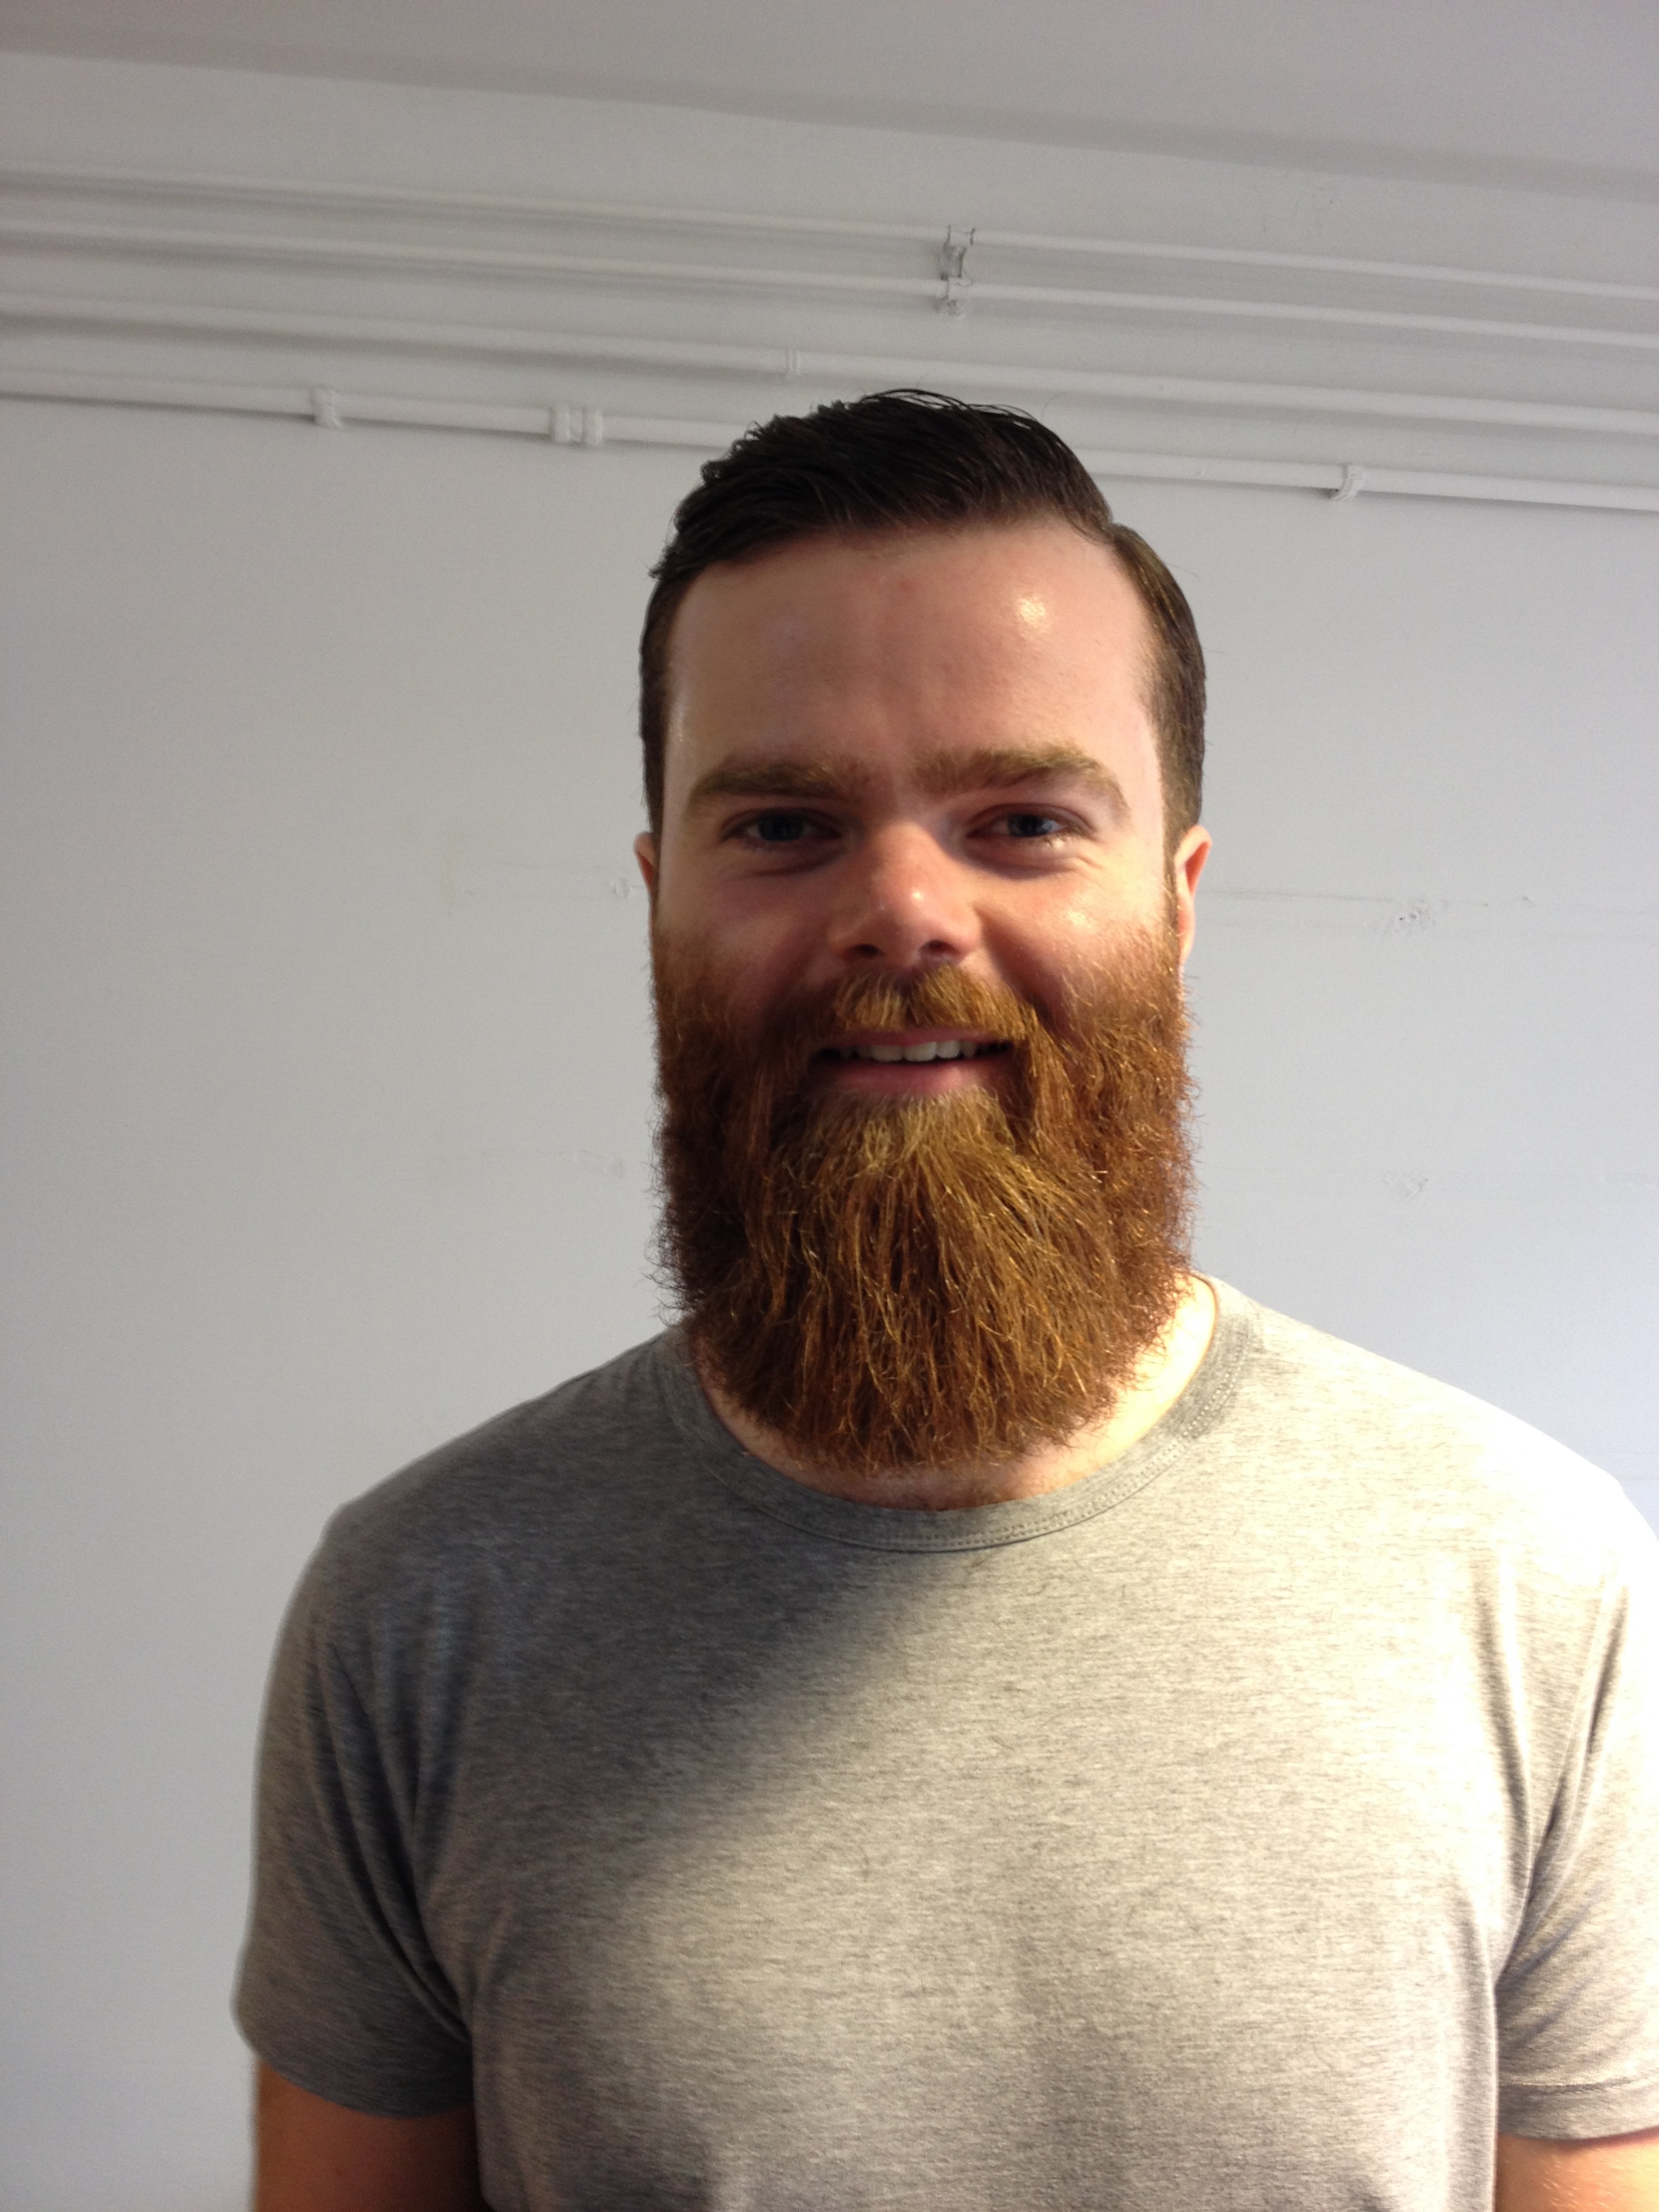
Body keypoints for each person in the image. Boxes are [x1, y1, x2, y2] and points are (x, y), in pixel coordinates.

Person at [237, 392, 1659, 2212]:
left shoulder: (1533, 1585)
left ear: (1178, 899)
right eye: (784, 824)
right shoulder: (421, 1613)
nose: (904, 908)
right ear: (660, 898)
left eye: (1022, 821)